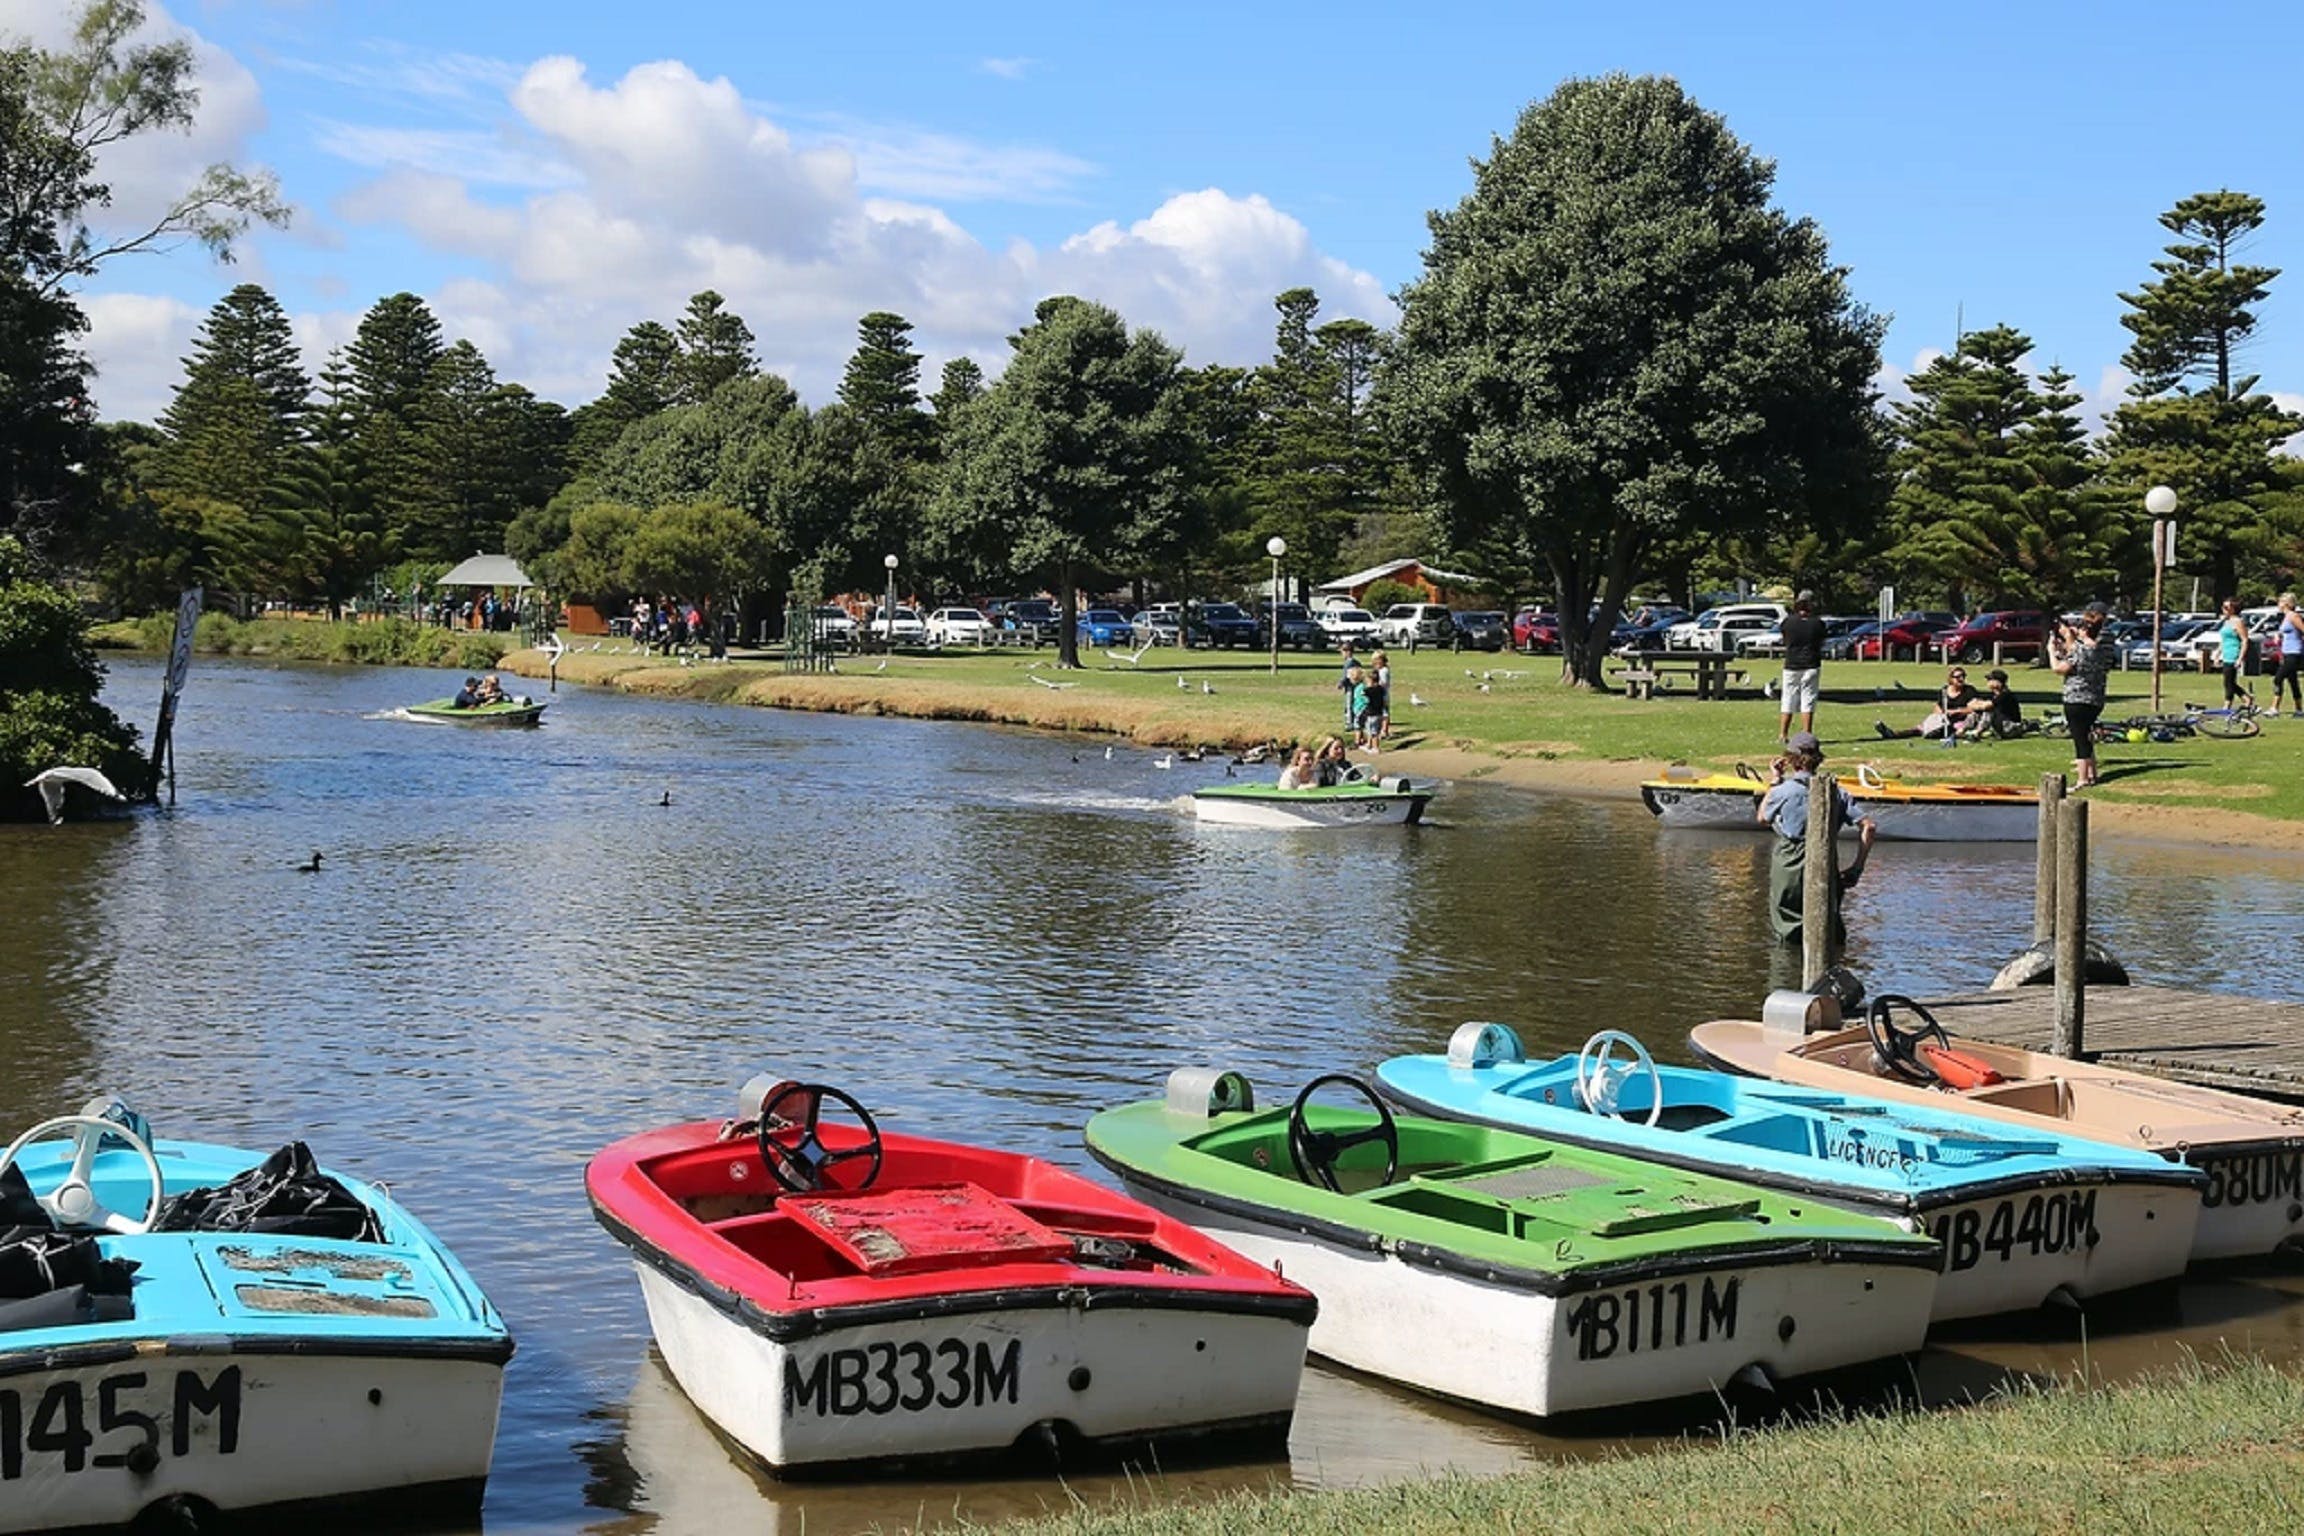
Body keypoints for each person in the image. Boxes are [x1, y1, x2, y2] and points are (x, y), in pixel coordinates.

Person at [1756, 731, 1875, 948]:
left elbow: (1763, 817)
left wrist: (1774, 781)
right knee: (1827, 923)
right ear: (1818, 760)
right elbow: (1869, 826)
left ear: (1791, 760)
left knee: (1788, 928)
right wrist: (1858, 867)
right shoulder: (1837, 791)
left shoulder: (1783, 790)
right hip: (1825, 858)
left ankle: (1788, 975)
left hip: (1789, 861)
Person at [2049, 602, 2113, 787]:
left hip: (2077, 698)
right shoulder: (2098, 649)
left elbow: (2062, 667)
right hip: (2096, 697)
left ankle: (2083, 779)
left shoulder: (2083, 649)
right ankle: (2092, 774)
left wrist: (2053, 651)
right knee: (2085, 736)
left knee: (2080, 740)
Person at [1876, 666, 1983, 740]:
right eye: (1958, 677)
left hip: (1960, 720)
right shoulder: (1944, 691)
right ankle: (1893, 734)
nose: (1961, 679)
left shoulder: (1969, 690)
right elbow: (1938, 706)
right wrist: (1941, 714)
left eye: (1963, 676)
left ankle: (1954, 735)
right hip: (1944, 719)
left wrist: (1957, 711)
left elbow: (1973, 708)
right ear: (1951, 679)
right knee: (1921, 728)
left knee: (1956, 727)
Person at [1776, 591, 1826, 743]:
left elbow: (1785, 640)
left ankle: (1783, 734)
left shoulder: (1788, 622)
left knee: (1788, 699)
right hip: (1811, 663)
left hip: (1791, 664)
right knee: (1808, 700)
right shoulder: (1817, 623)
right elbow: (1821, 642)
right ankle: (1806, 735)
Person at [2216, 598, 2255, 709]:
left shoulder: (2238, 622)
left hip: (2234, 653)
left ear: (2233, 609)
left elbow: (2245, 640)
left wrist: (2240, 658)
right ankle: (2246, 698)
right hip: (2226, 653)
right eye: (2223, 607)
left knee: (2228, 681)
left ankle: (2227, 704)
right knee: (2229, 681)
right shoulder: (2226, 621)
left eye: (2227, 607)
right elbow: (2224, 640)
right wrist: (2218, 653)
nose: (2224, 609)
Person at [2273, 593, 2304, 717]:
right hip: (2286, 652)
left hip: (2294, 652)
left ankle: (2274, 708)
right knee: (2293, 682)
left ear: (2286, 603)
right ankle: (2299, 709)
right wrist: (2278, 636)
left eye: (2280, 602)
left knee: (2278, 679)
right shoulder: (2285, 617)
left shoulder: (2293, 616)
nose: (2278, 605)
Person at [1365, 650, 1392, 746]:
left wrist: (1373, 686)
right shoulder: (1380, 670)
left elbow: (1383, 683)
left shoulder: (1384, 671)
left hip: (1382, 695)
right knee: (1383, 713)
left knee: (1384, 713)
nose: (1375, 663)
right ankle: (1382, 730)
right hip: (1380, 695)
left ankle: (1384, 730)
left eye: (1377, 660)